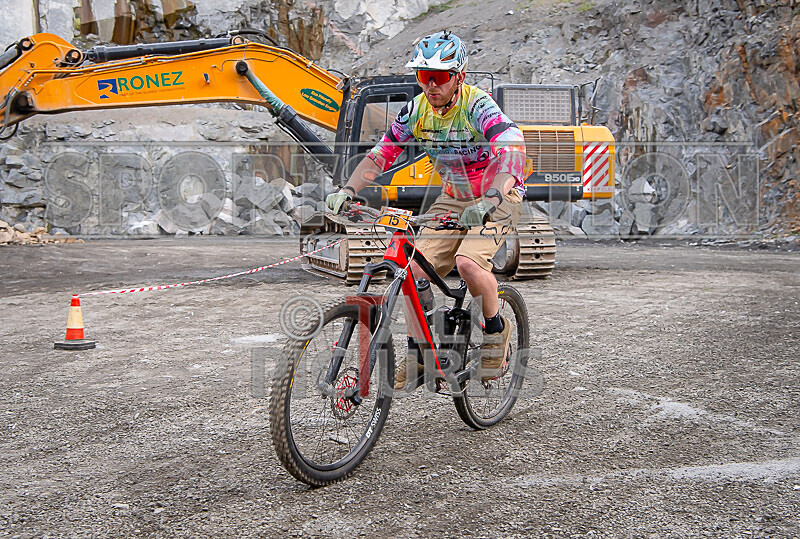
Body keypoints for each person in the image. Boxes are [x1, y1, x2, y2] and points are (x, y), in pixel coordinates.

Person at [326, 30, 527, 389]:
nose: (431, 85)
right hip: (453, 196)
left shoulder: (477, 106)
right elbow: (382, 153)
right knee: (412, 269)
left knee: (467, 262)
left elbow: (512, 150)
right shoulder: (416, 110)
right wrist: (347, 189)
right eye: (423, 77)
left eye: (440, 76)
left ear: (459, 76)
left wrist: (491, 199)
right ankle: (423, 352)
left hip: (499, 194)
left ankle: (496, 331)